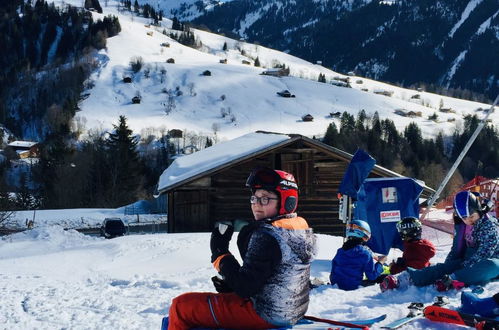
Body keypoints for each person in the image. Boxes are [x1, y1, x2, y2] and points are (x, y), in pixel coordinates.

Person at [167, 167, 317, 330]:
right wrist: (232, 285)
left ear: (287, 202)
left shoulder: (268, 235)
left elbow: (245, 288)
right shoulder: (299, 228)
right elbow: (268, 276)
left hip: (266, 313)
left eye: (265, 199)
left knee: (180, 306)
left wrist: (220, 252)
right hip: (292, 311)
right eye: (255, 198)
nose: (257, 205)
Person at [380, 190, 499, 292]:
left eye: (472, 216)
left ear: (478, 210)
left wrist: (461, 268)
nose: (468, 221)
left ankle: (451, 280)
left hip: (489, 260)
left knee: (492, 266)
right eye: (464, 218)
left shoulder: (488, 225)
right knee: (444, 267)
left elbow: (485, 252)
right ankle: (405, 279)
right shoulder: (462, 226)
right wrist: (448, 266)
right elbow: (456, 249)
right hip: (468, 260)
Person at [329, 219, 386, 290]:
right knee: (384, 277)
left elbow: (333, 271)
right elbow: (372, 276)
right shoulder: (365, 253)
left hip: (336, 285)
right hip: (354, 287)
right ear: (365, 233)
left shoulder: (340, 251)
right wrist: (380, 263)